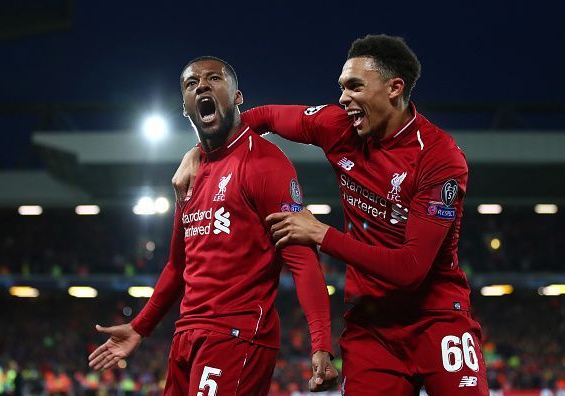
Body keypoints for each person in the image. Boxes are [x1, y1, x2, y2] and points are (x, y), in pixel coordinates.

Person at [174, 36, 489, 395]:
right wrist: (199, 153)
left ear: (394, 88)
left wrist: (322, 235)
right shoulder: (337, 127)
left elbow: (410, 268)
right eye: (341, 87)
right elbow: (257, 118)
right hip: (371, 327)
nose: (342, 99)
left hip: (437, 319)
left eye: (354, 87)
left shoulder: (439, 157)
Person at [88, 56, 338, 395]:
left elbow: (302, 260)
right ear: (185, 108)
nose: (202, 86)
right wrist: (140, 327)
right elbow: (179, 266)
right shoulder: (187, 176)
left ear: (237, 97)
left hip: (238, 335)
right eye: (192, 84)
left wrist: (321, 343)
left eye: (214, 79)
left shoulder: (265, 163)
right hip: (186, 336)